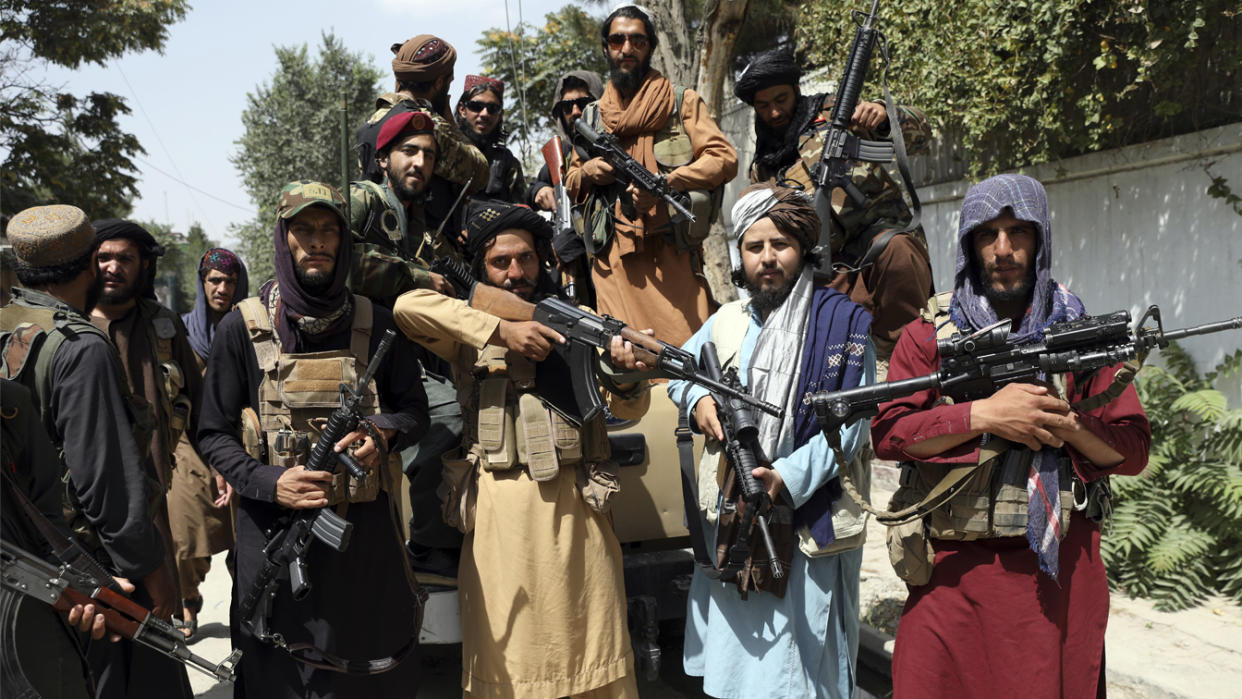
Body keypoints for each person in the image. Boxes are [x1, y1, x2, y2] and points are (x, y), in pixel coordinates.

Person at [870, 174, 1152, 697]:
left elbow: (1132, 449)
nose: (1003, 250)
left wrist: (1066, 425)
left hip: (1062, 577)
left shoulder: (1080, 334)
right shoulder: (930, 334)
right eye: (988, 234)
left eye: (1018, 232)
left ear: (1040, 238)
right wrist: (985, 416)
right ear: (968, 244)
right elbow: (890, 434)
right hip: (954, 576)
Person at [393, 201, 648, 698]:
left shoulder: (578, 321)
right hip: (501, 521)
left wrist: (630, 373)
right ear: (481, 271)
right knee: (510, 668)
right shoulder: (470, 331)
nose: (516, 272)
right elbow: (407, 308)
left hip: (579, 519)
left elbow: (630, 409)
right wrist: (500, 329)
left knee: (594, 660)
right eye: (501, 262)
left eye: (526, 258)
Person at [198, 181, 428, 697]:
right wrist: (270, 481)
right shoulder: (243, 329)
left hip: (364, 543)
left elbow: (416, 412)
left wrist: (382, 433)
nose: (317, 242)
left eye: (328, 231)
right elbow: (212, 433)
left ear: (344, 242)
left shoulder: (376, 322)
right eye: (304, 230)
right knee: (276, 673)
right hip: (273, 537)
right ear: (285, 238)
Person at [669, 184, 874, 698]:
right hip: (738, 518)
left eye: (779, 244)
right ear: (739, 255)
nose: (767, 258)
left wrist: (789, 475)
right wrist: (699, 402)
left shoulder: (841, 324)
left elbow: (852, 423)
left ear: (803, 248)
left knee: (806, 673)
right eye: (754, 247)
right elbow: (678, 371)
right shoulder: (727, 321)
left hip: (809, 518)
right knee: (741, 671)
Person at [1, 205, 190, 698]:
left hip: (20, 557)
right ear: (88, 264)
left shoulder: (5, 324)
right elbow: (105, 484)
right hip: (88, 571)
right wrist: (152, 571)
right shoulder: (80, 348)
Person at [735, 49, 934, 377]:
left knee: (897, 251)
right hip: (827, 265)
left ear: (795, 90)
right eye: (763, 105)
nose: (773, 112)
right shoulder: (764, 166)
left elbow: (921, 134)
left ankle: (908, 362)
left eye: (781, 99)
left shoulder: (834, 112)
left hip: (880, 236)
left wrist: (884, 116)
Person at [565, 3, 738, 346]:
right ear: (606, 48)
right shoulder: (593, 116)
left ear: (651, 48)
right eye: (617, 40)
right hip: (612, 261)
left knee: (687, 358)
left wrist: (666, 184)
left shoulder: (680, 103)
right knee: (623, 366)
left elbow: (724, 158)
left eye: (637, 41)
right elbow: (569, 181)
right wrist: (587, 171)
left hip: (670, 255)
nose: (627, 49)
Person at [168, 248, 249, 638]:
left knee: (247, 533)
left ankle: (247, 603)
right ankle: (187, 598)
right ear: (203, 285)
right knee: (185, 530)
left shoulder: (250, 328)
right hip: (189, 442)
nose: (222, 288)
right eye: (214, 280)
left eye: (230, 282)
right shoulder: (181, 331)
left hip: (241, 441)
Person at [360, 34, 489, 230]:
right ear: (438, 83)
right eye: (448, 81)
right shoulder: (426, 125)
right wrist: (450, 122)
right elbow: (480, 172)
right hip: (419, 249)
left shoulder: (372, 121)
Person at [351, 109, 458, 304]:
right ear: (383, 159)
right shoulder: (362, 198)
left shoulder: (418, 221)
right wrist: (419, 278)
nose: (420, 162)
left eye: (429, 156)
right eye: (409, 151)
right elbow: (335, 260)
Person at [527, 70, 606, 308]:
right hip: (575, 274)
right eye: (567, 106)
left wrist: (574, 238)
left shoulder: (614, 147)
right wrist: (540, 191)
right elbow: (534, 186)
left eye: (583, 103)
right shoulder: (563, 151)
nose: (575, 112)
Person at [456, 75, 525, 203]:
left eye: (493, 109)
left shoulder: (508, 162)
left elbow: (520, 211)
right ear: (462, 109)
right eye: (476, 106)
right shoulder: (448, 149)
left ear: (500, 115)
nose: (484, 114)